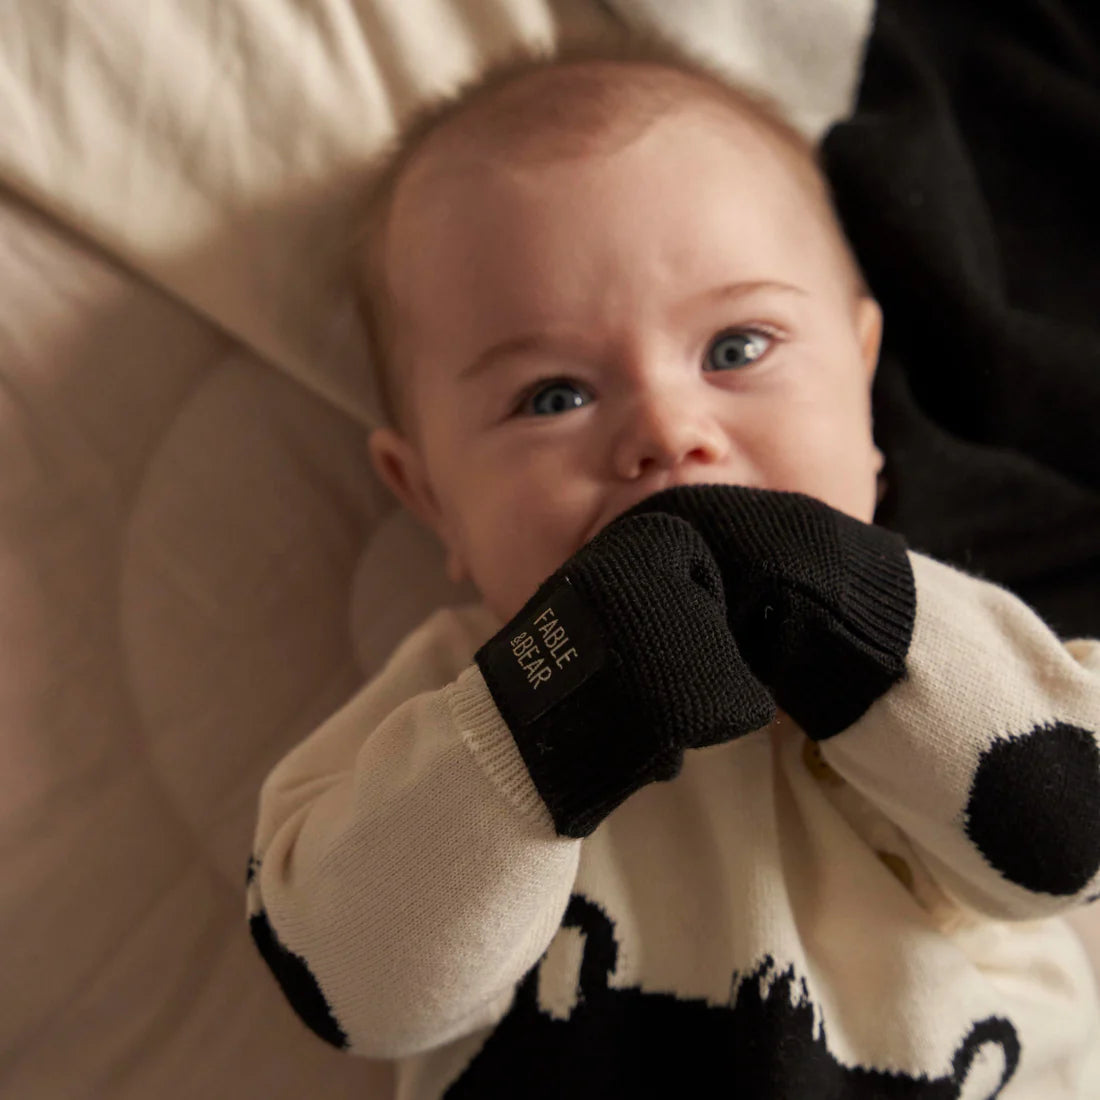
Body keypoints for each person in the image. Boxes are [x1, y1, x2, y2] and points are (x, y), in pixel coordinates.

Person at [246, 31, 1100, 1098]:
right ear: (429, 497)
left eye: (737, 348)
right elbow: (353, 991)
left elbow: (1068, 845)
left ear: (861, 381)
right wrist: (547, 718)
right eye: (553, 396)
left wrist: (864, 623)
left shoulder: (957, 640)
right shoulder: (448, 718)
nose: (665, 430)